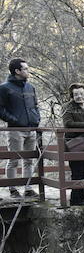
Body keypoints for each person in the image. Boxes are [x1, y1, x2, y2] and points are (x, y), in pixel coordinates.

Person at [0, 59, 41, 198]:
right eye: (25, 69)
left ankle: (28, 188)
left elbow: (35, 105)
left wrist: (36, 119)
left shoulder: (30, 87)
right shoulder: (4, 88)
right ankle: (12, 189)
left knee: (28, 160)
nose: (28, 71)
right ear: (17, 71)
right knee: (14, 159)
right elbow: (1, 109)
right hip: (15, 130)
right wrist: (15, 120)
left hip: (31, 128)